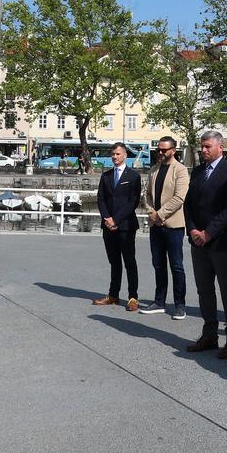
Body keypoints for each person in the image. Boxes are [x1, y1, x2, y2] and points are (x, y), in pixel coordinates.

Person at [183, 130, 227, 359]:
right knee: (204, 289)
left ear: (221, 147)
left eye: (208, 146)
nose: (203, 150)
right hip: (198, 241)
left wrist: (208, 233)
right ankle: (209, 333)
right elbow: (188, 204)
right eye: (202, 146)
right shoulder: (198, 172)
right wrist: (192, 229)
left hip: (222, 242)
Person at [142, 136, 189, 318]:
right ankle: (159, 301)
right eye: (158, 150)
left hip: (174, 225)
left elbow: (179, 198)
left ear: (173, 150)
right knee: (158, 264)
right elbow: (146, 195)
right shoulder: (154, 170)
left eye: (164, 150)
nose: (160, 153)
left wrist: (159, 214)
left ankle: (180, 305)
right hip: (156, 225)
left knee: (176, 266)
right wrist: (151, 212)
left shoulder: (181, 170)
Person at [93, 142, 143, 311]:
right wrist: (107, 218)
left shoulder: (133, 176)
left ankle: (133, 297)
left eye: (118, 154)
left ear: (125, 156)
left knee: (129, 262)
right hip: (108, 226)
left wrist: (116, 219)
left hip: (126, 226)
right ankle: (113, 295)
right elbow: (100, 199)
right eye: (113, 154)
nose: (115, 157)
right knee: (114, 262)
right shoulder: (106, 176)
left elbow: (133, 202)